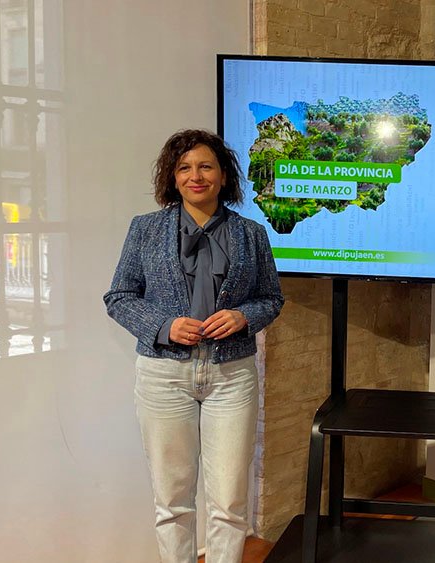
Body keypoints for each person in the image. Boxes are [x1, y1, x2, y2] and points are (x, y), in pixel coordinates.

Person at [104, 129, 284, 563]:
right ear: (172, 176)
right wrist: (164, 326)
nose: (195, 176)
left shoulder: (251, 233)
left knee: (230, 503)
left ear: (224, 175)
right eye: (184, 168)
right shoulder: (145, 229)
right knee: (172, 502)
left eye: (206, 166)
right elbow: (119, 297)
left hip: (231, 378)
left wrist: (244, 317)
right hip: (164, 377)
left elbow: (271, 298)